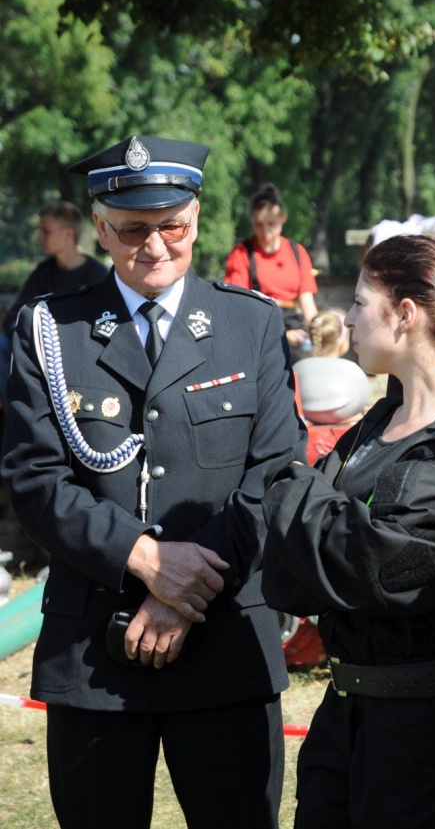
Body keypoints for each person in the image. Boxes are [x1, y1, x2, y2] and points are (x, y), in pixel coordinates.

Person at [1, 134, 306, 829]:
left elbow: (277, 472)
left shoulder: (249, 323)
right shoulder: (51, 329)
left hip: (226, 642)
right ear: (100, 226)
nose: (156, 244)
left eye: (173, 224)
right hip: (95, 654)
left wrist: (180, 594)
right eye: (134, 228)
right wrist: (144, 557)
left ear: (197, 219)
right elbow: (34, 476)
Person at [262, 234, 435, 829]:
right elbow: (295, 575)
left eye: (358, 302)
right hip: (347, 712)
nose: (345, 318)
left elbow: (376, 570)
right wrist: (315, 516)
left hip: (428, 733)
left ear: (404, 314)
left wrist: (294, 488)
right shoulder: (376, 422)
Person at [0, 201, 108, 408]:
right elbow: (14, 319)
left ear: (67, 234)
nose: (39, 238)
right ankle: (15, 416)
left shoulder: (98, 275)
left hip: (82, 351)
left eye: (45, 231)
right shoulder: (43, 272)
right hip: (40, 348)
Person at [224, 183, 318, 361]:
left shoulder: (297, 251)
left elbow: (307, 304)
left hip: (294, 322)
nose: (265, 231)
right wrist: (281, 335)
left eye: (271, 224)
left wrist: (318, 334)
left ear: (282, 218)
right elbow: (238, 305)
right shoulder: (242, 253)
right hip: (260, 322)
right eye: (259, 224)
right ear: (252, 221)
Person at [292, 310, 371, 425]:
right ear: (341, 341)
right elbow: (362, 399)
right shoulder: (350, 370)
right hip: (347, 424)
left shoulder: (298, 368)